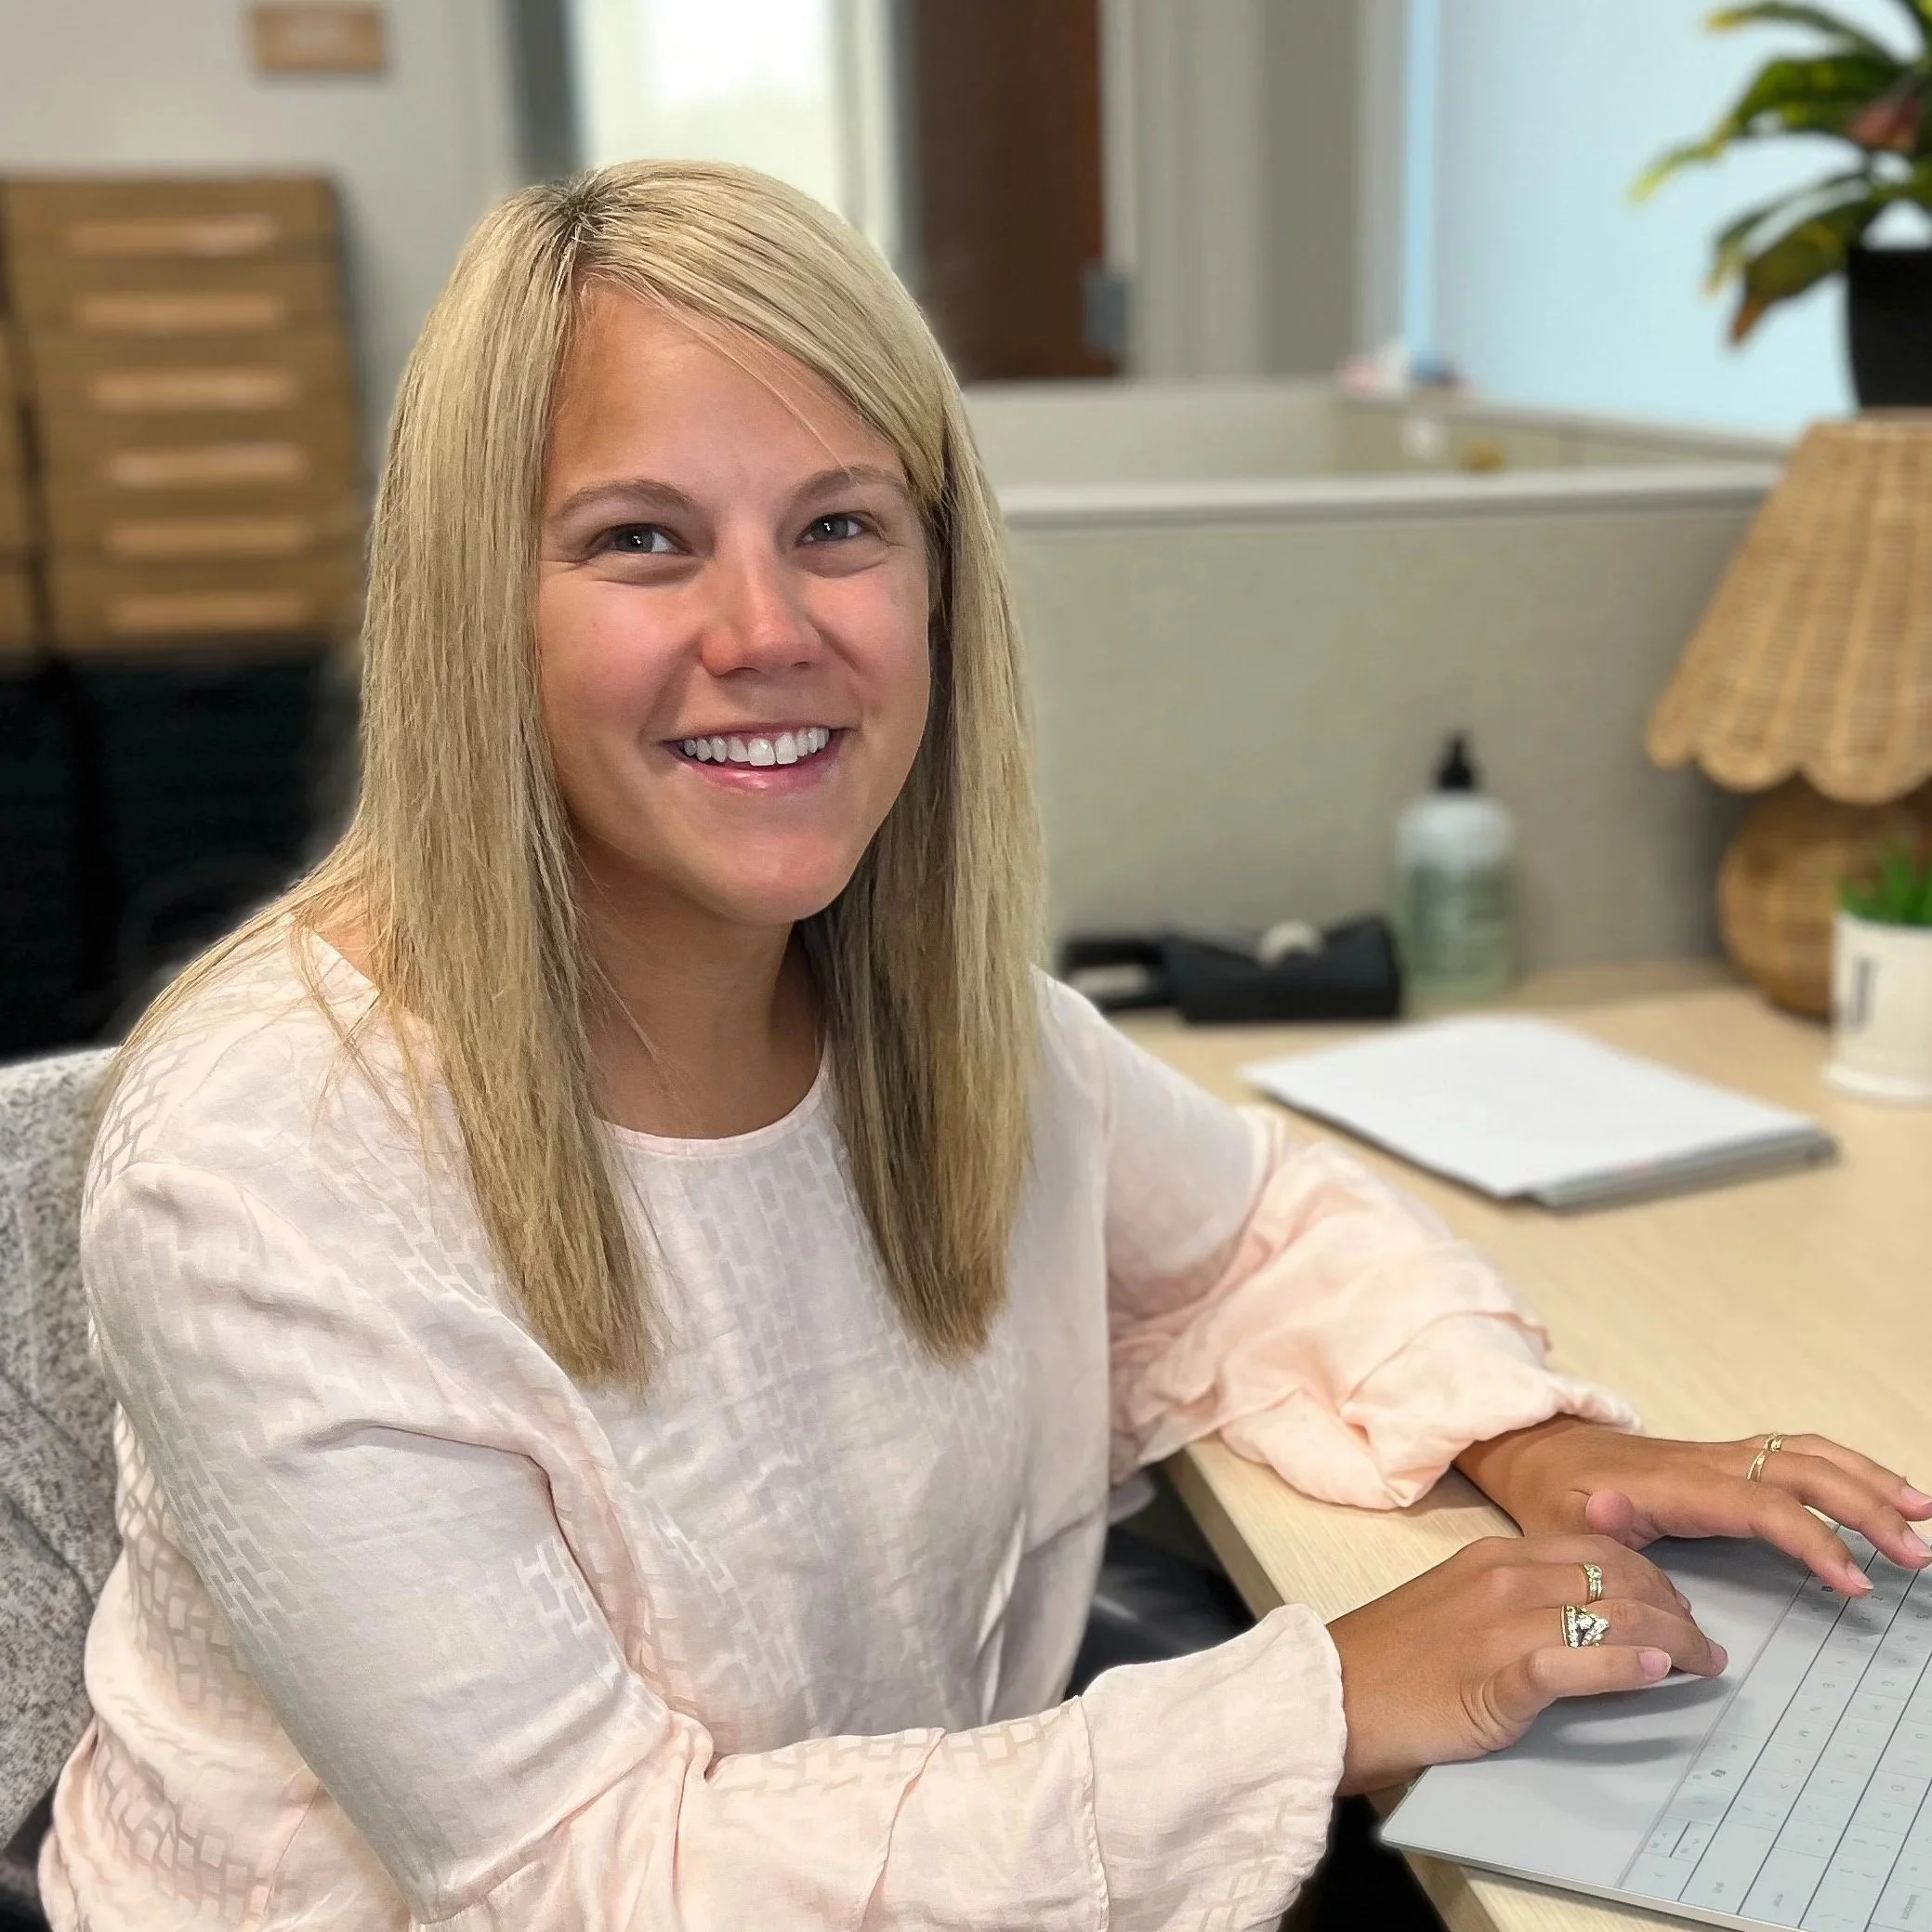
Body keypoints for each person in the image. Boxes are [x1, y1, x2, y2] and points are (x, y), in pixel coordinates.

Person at [40, 162, 1930, 1932]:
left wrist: (1527, 1444)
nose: (766, 628)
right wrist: (1316, 1700)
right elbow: (587, 1876)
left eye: (840, 526)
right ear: (481, 609)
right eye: (641, 541)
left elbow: (1258, 1233)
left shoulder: (917, 1002)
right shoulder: (276, 1168)